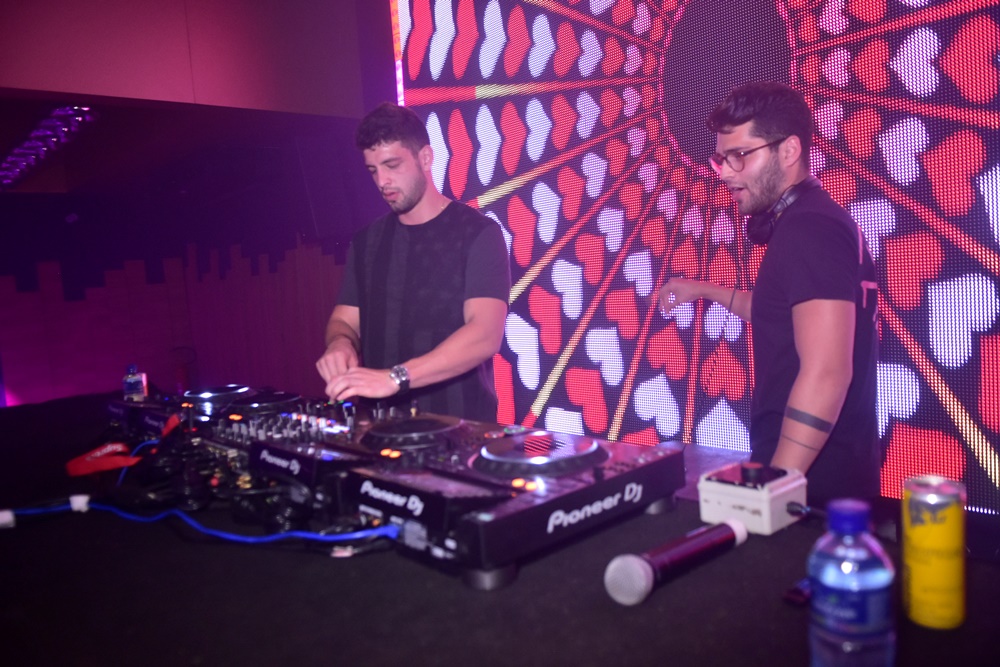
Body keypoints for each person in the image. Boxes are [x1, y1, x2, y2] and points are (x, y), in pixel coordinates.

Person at [659, 82, 879, 502]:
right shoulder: (814, 222)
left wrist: (775, 486)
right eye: (722, 158)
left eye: (740, 155)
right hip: (825, 480)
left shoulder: (809, 230)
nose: (725, 172)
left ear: (789, 150)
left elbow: (827, 373)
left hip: (813, 490)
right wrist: (703, 289)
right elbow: (782, 313)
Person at [316, 102, 510, 422]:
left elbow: (485, 334)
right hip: (381, 427)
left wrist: (396, 378)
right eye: (373, 170)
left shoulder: (478, 233)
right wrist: (340, 344)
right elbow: (345, 321)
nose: (383, 181)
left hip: (460, 430)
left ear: (426, 158)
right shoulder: (367, 241)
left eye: (392, 165)